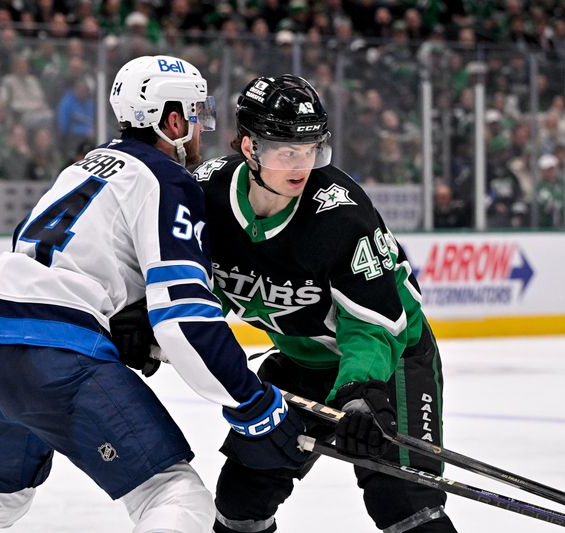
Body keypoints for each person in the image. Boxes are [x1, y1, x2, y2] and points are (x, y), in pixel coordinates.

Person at [0, 56, 306, 533]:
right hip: (56, 361)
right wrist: (253, 402)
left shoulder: (83, 166)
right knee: (173, 497)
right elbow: (184, 317)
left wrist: (122, 320)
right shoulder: (167, 178)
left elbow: (45, 255)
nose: (201, 131)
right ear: (173, 120)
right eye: (197, 117)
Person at [194, 75, 456, 533]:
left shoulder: (340, 213)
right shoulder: (206, 195)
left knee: (403, 501)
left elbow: (373, 324)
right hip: (303, 359)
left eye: (312, 148)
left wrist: (360, 395)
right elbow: (185, 281)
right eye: (286, 151)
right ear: (248, 146)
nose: (302, 165)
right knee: (241, 499)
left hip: (389, 360)